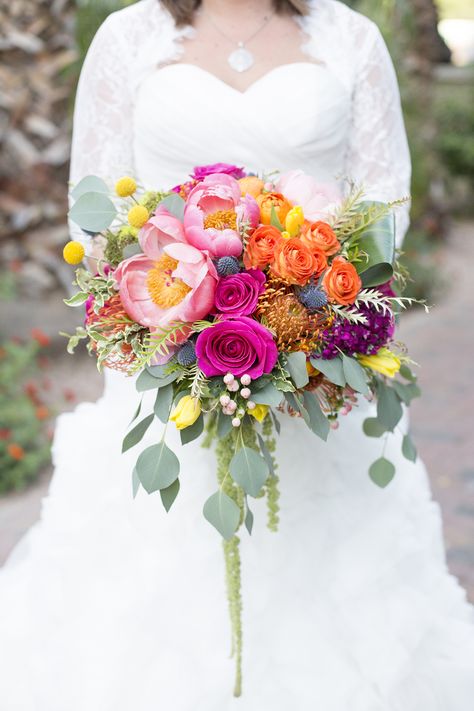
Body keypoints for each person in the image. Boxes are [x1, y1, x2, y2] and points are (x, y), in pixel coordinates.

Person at [1, 1, 473, 709]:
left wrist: (300, 319)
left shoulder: (350, 39)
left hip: (316, 377)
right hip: (164, 377)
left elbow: (385, 206)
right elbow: (91, 212)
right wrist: (172, 324)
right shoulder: (129, 37)